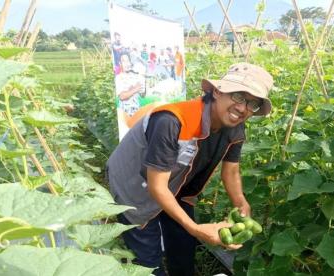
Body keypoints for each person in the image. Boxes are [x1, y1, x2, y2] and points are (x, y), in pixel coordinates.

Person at [107, 62, 273, 276]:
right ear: (217, 91)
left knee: (183, 247)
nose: (243, 108)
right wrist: (196, 228)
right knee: (147, 261)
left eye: (253, 104)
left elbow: (231, 171)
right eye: (239, 96)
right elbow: (157, 187)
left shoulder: (235, 127)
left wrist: (240, 201)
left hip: (178, 188)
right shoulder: (172, 121)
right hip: (135, 187)